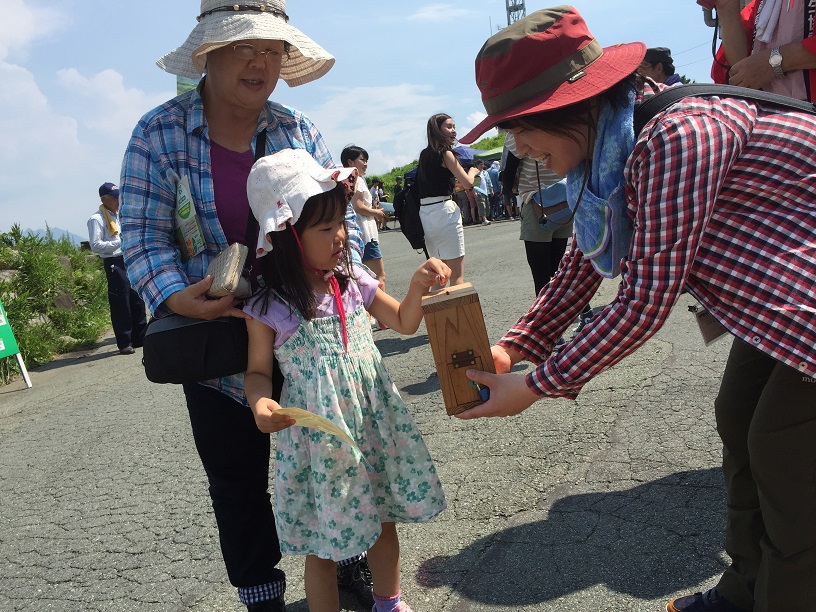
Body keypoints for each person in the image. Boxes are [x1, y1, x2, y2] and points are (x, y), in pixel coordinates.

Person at [457, 7, 816, 612]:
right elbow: (582, 261)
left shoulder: (675, 138)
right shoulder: (612, 145)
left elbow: (644, 302)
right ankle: (744, 587)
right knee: (737, 419)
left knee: (782, 448)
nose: (518, 147)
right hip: (781, 300)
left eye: (520, 127)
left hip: (801, 298)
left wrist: (537, 385)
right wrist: (517, 345)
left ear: (570, 107)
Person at [119, 2, 371, 610]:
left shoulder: (298, 131)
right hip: (221, 335)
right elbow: (143, 235)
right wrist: (180, 296)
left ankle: (349, 569)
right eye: (243, 47)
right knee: (236, 477)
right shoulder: (159, 134)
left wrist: (343, 276)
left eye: (273, 49)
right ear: (208, 53)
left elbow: (345, 224)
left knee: (330, 451)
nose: (261, 61)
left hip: (305, 334)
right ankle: (262, 593)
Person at [243, 148, 448, 612]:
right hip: (322, 438)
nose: (340, 235)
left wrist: (416, 287)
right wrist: (261, 406)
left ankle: (389, 602)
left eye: (340, 222)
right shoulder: (270, 307)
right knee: (323, 543)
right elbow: (257, 374)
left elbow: (403, 321)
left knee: (384, 518)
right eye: (324, 227)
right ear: (285, 235)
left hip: (372, 421)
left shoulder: (352, 279)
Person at [505, 132, 573, 296]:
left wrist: (511, 190)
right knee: (559, 268)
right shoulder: (560, 125)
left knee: (541, 274)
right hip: (565, 202)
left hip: (536, 202)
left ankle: (548, 319)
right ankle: (578, 311)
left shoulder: (519, 130)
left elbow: (509, 172)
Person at [416, 113, 480, 287]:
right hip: (445, 212)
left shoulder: (424, 155)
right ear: (438, 130)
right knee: (456, 275)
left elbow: (433, 186)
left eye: (454, 126)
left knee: (438, 275)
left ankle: (437, 315)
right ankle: (458, 315)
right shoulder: (446, 153)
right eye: (449, 127)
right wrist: (473, 172)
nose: (453, 131)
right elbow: (468, 183)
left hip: (427, 214)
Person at [710, 0, 816, 101]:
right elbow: (742, 73)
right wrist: (727, 8)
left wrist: (774, 62)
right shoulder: (762, 5)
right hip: (771, 111)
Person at [87, 182, 147, 355]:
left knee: (136, 297)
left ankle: (140, 337)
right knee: (121, 301)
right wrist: (119, 242)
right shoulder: (97, 219)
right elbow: (96, 245)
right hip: (114, 261)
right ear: (104, 199)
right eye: (114, 197)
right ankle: (125, 342)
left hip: (128, 258)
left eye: (118, 197)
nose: (118, 200)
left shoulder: (118, 215)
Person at [341, 145, 388, 328]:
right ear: (351, 162)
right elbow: (359, 206)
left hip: (358, 233)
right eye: (363, 159)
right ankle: (382, 317)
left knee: (361, 277)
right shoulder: (356, 179)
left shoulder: (347, 179)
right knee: (379, 276)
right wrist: (377, 212)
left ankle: (372, 318)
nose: (366, 163)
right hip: (365, 233)